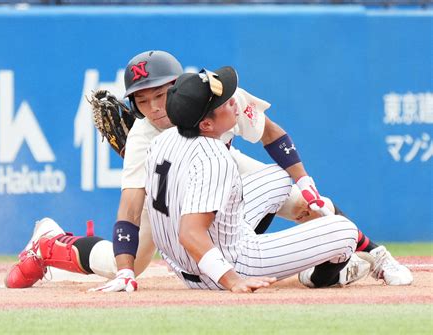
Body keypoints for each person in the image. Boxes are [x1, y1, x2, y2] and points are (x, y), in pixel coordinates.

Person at [4, 51, 412, 290]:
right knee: (121, 263)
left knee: (299, 198)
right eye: (142, 102)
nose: (154, 108)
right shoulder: (146, 136)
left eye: (161, 95)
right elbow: (129, 208)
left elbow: (271, 132)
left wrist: (302, 178)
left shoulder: (213, 95)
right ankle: (50, 243)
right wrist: (128, 272)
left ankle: (368, 254)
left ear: (180, 85)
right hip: (171, 203)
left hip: (221, 166)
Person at [137, 66, 370, 292]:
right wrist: (232, 280)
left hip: (185, 261)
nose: (235, 104)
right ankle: (319, 278)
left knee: (278, 177)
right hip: (225, 265)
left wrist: (303, 180)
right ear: (206, 124)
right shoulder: (214, 157)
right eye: (227, 103)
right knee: (344, 231)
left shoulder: (162, 140)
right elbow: (190, 233)